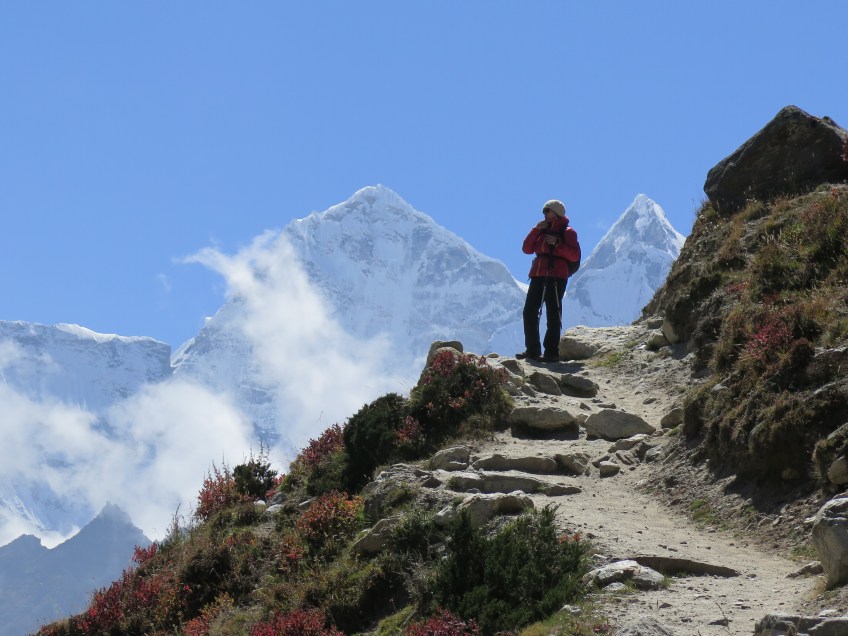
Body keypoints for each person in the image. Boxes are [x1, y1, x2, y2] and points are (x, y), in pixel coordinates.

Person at [516, 199, 581, 362]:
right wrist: (536, 230)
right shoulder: (541, 231)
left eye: (547, 211)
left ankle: (551, 352)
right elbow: (526, 248)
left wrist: (558, 244)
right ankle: (532, 350)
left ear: (556, 213)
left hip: (556, 275)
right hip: (538, 274)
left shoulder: (568, 232)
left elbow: (574, 255)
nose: (544, 214)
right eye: (544, 211)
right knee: (529, 311)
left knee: (553, 313)